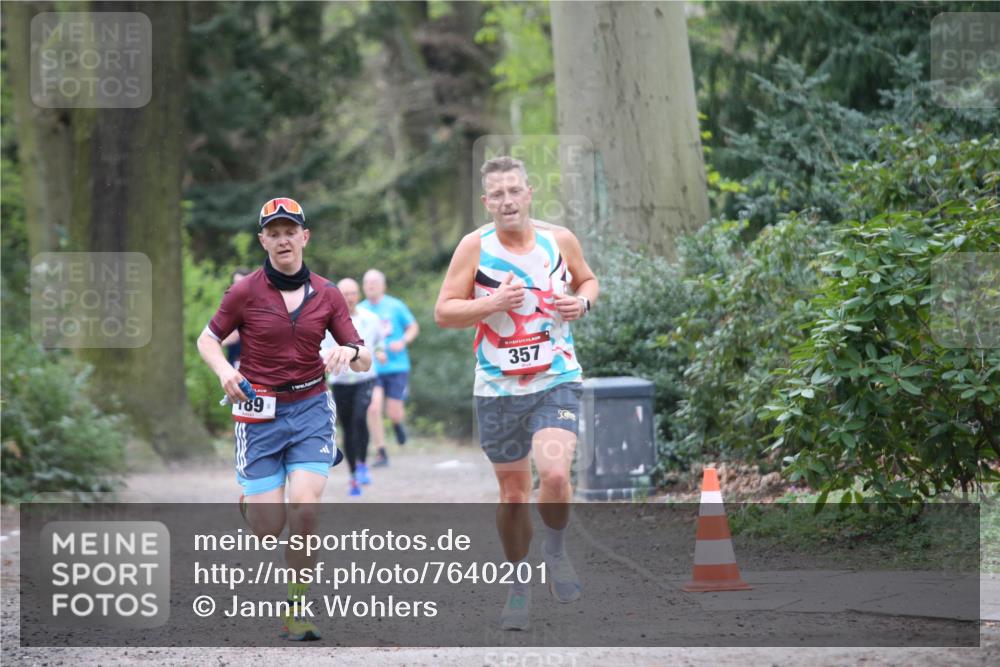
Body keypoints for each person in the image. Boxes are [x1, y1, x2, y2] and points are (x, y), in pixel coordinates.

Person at [434, 156, 599, 631]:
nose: (507, 201)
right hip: (497, 390)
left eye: (514, 191)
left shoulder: (558, 239)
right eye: (497, 195)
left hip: (557, 379)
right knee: (511, 497)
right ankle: (518, 583)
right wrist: (492, 302)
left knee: (555, 476)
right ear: (487, 203)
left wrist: (583, 301)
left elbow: (587, 278)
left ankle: (556, 550)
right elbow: (444, 311)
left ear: (529, 194)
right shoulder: (474, 248)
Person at [197, 197, 372, 641]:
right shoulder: (246, 291)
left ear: (304, 237)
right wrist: (225, 372)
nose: (283, 240)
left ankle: (296, 607)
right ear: (263, 241)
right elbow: (208, 339)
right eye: (273, 233)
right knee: (269, 527)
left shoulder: (328, 294)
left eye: (289, 231)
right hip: (259, 412)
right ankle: (250, 506)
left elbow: (364, 357)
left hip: (311, 407)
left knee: (306, 510)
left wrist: (349, 351)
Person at [321, 277, 385, 497]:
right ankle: (353, 476)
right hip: (340, 382)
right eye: (344, 293)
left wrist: (380, 352)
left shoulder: (371, 318)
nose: (349, 298)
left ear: (358, 295)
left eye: (352, 293)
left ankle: (362, 464)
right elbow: (322, 350)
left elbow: (377, 343)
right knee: (347, 427)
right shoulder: (327, 320)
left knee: (360, 418)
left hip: (365, 379)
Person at [361, 268, 419, 467]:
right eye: (367, 283)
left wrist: (403, 341)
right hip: (372, 368)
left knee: (393, 411)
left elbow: (413, 327)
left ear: (383, 285)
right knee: (373, 407)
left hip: (397, 366)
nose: (370, 286)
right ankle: (381, 451)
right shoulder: (361, 310)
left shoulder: (395, 306)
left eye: (374, 282)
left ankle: (397, 424)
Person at [221, 268, 251, 368]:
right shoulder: (228, 308)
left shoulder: (260, 307)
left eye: (243, 283)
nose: (239, 288)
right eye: (236, 284)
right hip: (234, 367)